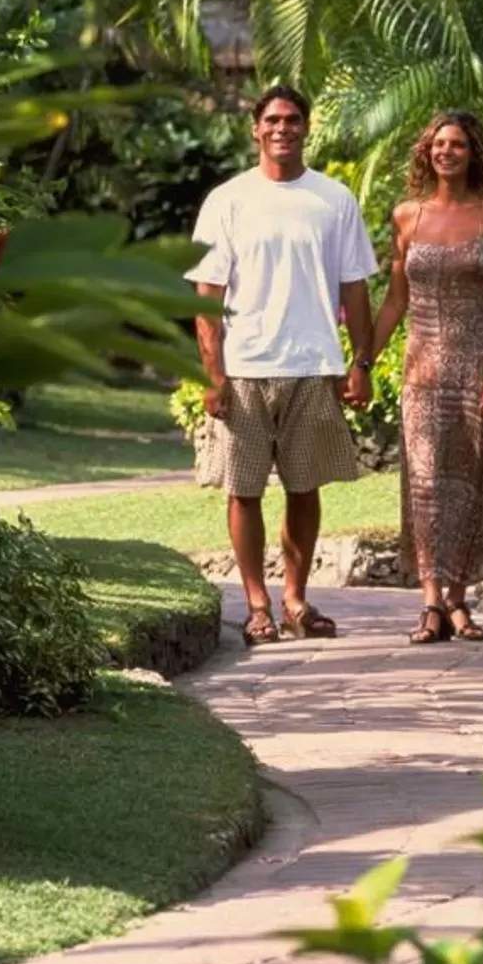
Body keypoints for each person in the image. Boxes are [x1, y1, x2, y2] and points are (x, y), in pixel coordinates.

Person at [190, 83, 379, 645]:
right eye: (271, 120)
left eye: (292, 120)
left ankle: (296, 600)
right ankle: (256, 606)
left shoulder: (334, 199)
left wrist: (361, 362)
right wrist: (212, 372)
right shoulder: (227, 200)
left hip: (312, 363)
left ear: (306, 128)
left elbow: (356, 288)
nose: (282, 129)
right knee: (244, 491)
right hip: (245, 366)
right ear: (255, 129)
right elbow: (206, 295)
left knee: (305, 486)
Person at [369, 109, 483, 644]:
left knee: (471, 481)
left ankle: (459, 602)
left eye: (458, 144)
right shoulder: (406, 216)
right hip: (421, 369)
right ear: (427, 152)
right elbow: (396, 297)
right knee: (424, 484)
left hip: (477, 364)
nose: (447, 151)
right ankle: (429, 603)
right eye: (439, 144)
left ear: (473, 153)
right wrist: (363, 360)